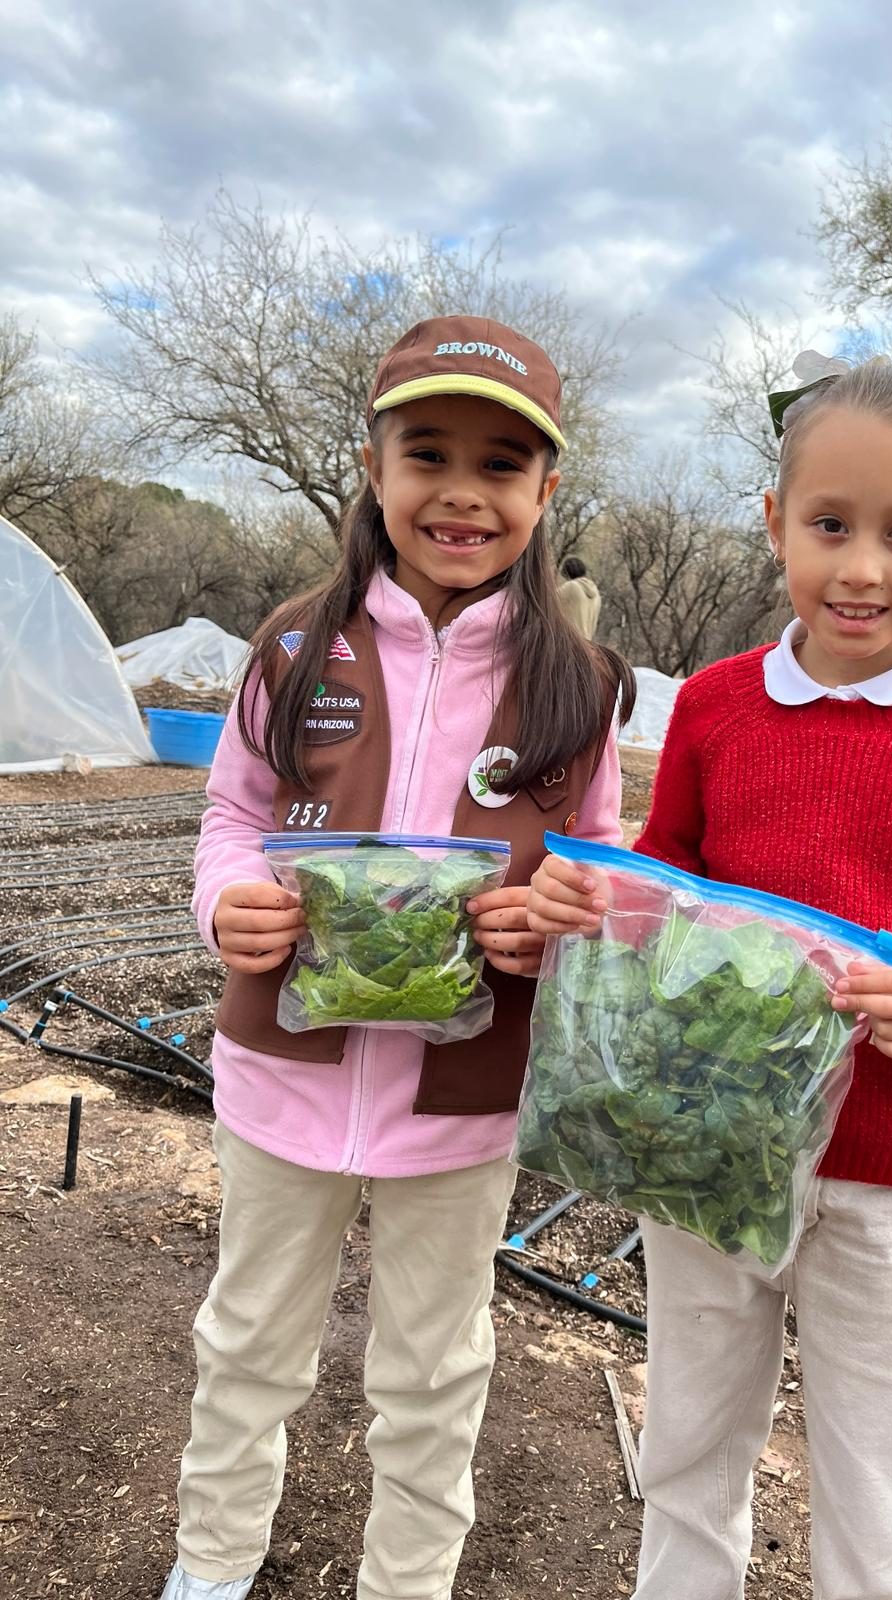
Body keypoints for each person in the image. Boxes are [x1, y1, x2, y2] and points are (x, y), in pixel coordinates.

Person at [528, 351, 892, 1600]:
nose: (860, 565)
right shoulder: (721, 708)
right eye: (830, 524)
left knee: (886, 1488)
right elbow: (672, 889)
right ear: (775, 523)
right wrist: (604, 897)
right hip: (709, 1154)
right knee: (687, 1445)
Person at [160, 316, 634, 1600]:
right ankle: (209, 1571)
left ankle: (408, 1582)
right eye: (428, 452)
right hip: (283, 1072)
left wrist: (557, 910)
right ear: (374, 468)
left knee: (433, 1369)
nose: (462, 492)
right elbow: (232, 815)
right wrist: (229, 905)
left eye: (502, 463)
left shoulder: (577, 684)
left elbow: (599, 859)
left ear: (546, 491)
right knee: (249, 1342)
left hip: (465, 1101)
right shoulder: (295, 644)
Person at [557, 555, 602, 638]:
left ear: (567, 573)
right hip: (588, 642)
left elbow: (548, 601)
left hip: (571, 641)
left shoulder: (571, 586)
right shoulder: (596, 591)